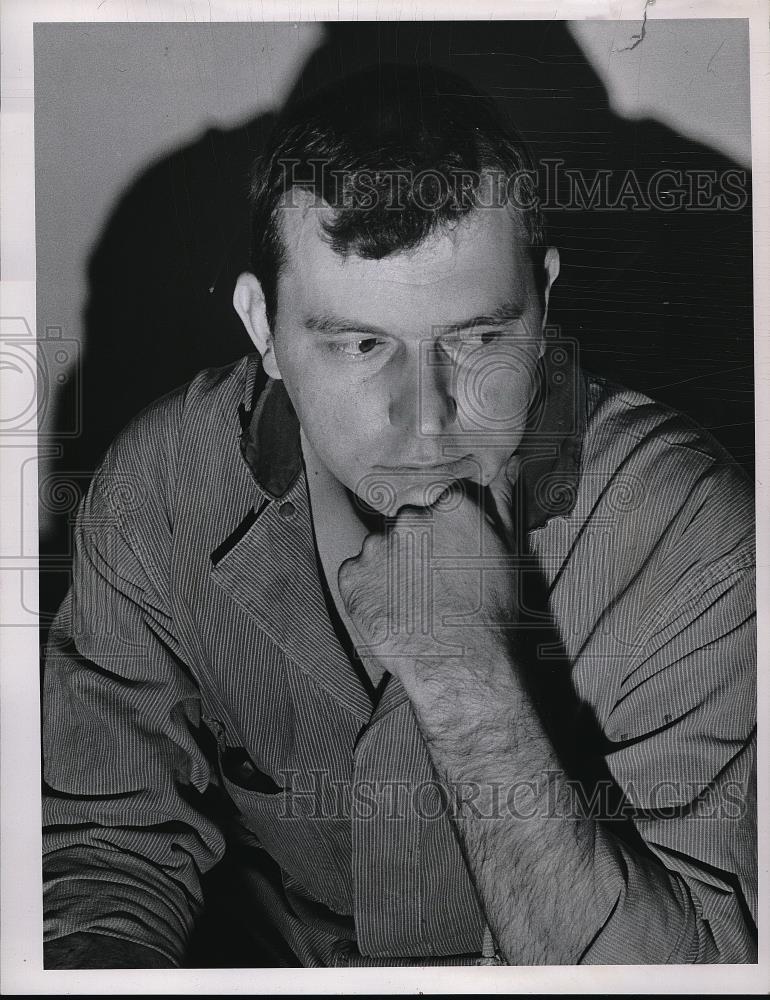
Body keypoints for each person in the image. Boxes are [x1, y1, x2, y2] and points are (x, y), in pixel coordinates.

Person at [42, 64, 756, 968]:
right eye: (360, 343)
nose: (427, 420)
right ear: (263, 327)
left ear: (545, 304)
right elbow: (103, 856)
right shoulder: (159, 489)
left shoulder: (691, 533)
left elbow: (692, 977)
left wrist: (466, 675)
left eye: (477, 338)